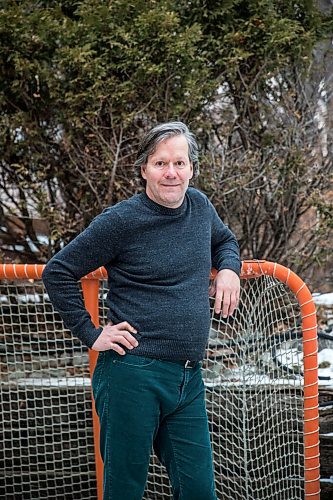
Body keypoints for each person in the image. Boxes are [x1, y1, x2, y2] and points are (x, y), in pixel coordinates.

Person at [42, 121, 241, 500]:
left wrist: (229, 268)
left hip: (188, 377)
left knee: (200, 491)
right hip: (132, 374)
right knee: (125, 491)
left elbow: (225, 240)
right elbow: (58, 271)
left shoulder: (200, 206)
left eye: (180, 163)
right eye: (160, 163)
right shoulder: (121, 221)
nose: (171, 173)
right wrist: (93, 333)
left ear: (192, 169)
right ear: (144, 169)